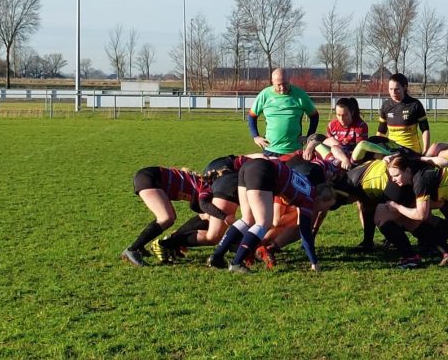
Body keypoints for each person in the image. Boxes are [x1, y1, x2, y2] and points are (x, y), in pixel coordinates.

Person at [207, 158, 336, 273]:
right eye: (327, 206)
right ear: (321, 199)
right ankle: (236, 263)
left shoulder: (308, 183)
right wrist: (314, 262)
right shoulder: (310, 199)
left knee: (247, 219)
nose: (325, 210)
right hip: (264, 171)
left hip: (250, 166)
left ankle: (217, 257)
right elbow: (305, 232)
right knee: (263, 223)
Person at [120, 165, 233, 267]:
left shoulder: (201, 183)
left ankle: (143, 247)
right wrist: (224, 217)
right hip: (149, 178)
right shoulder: (206, 186)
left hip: (148, 176)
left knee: (171, 217)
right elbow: (203, 205)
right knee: (166, 218)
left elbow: (198, 208)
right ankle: (132, 250)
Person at [248, 68, 319, 157]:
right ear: (272, 82)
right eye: (279, 85)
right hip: (271, 149)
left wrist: (309, 137)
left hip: (294, 150)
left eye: (285, 84)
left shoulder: (300, 95)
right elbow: (252, 116)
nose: (282, 88)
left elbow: (314, 116)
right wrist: (256, 136)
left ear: (288, 80)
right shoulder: (265, 95)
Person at [378, 73, 430, 154]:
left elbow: (425, 129)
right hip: (392, 150)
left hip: (411, 151)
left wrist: (426, 150)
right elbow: (381, 132)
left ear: (405, 87)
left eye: (396, 89)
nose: (393, 92)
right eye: (390, 89)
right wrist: (378, 149)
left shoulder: (415, 104)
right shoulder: (386, 105)